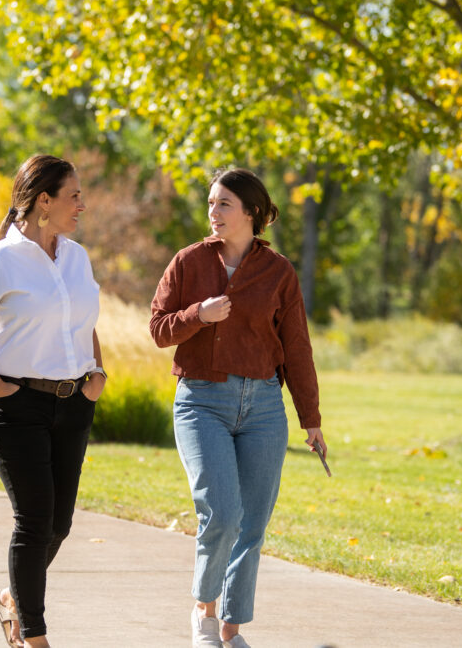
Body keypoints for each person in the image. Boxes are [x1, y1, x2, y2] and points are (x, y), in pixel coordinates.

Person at [150, 167, 327, 648]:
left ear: (250, 212)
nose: (213, 212)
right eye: (210, 203)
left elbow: (297, 348)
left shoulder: (278, 272)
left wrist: (310, 419)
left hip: (266, 406)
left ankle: (231, 629)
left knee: (252, 522)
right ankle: (203, 614)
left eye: (223, 204)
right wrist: (198, 315)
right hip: (202, 400)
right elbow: (159, 328)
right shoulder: (187, 263)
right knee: (222, 512)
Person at [0, 154, 107, 648]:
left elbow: (82, 322)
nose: (82, 204)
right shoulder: (0, 259)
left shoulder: (76, 257)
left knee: (59, 523)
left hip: (74, 403)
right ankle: (33, 637)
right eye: (74, 195)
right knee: (34, 519)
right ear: (44, 201)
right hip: (17, 407)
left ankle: (13, 600)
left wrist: (96, 371)